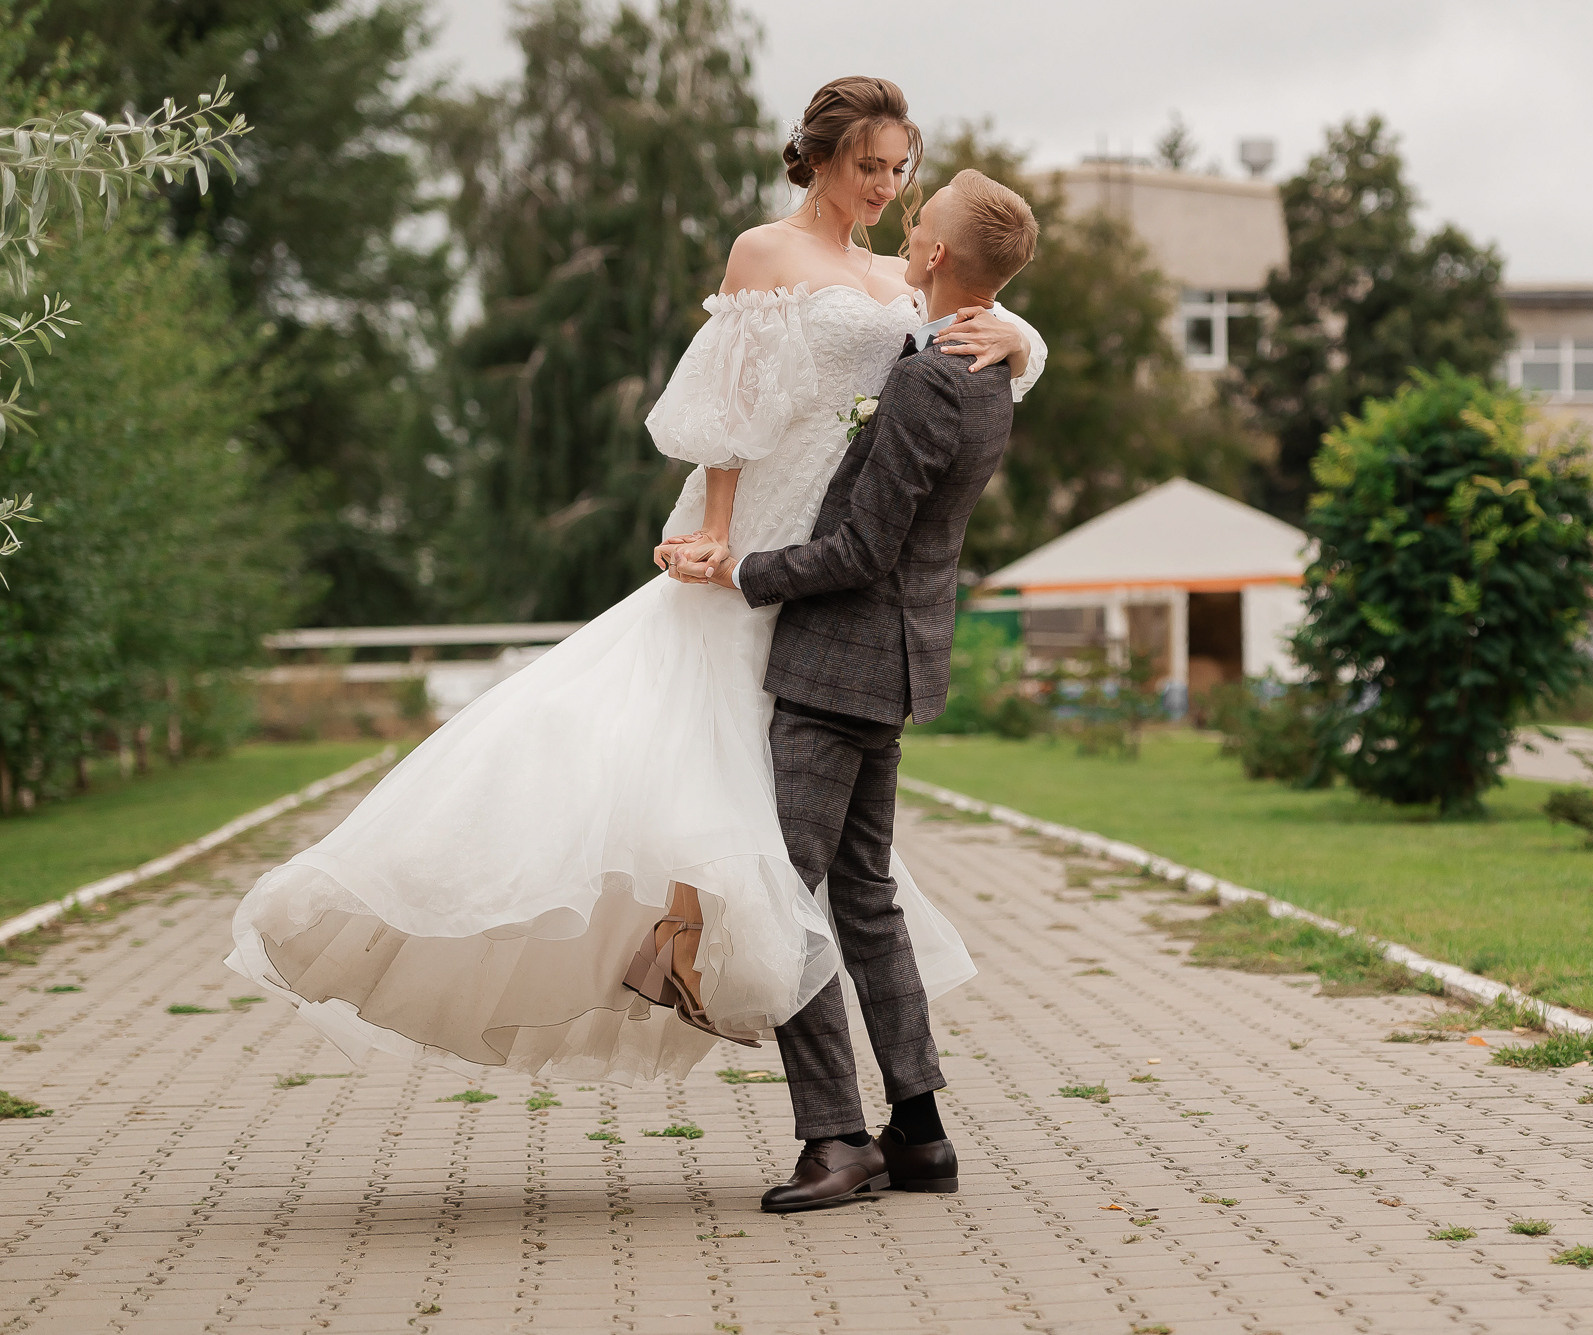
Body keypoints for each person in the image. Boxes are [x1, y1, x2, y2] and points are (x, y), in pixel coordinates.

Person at [224, 77, 1044, 1094]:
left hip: (833, 574)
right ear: (822, 157)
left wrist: (1019, 337)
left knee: (781, 828)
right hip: (763, 543)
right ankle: (735, 1006)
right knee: (706, 783)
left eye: (897, 169)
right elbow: (729, 409)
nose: (884, 186)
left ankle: (717, 980)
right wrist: (716, 538)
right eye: (867, 165)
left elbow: (972, 322)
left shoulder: (899, 273)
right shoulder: (765, 252)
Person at [668, 168, 1037, 1213]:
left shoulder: (927, 383)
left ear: (935, 255)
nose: (905, 220)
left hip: (838, 662)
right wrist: (1019, 337)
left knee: (783, 896)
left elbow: (862, 549)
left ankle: (834, 1137)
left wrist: (740, 571)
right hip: (894, 664)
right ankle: (918, 1132)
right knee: (864, 898)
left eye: (921, 216)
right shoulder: (985, 372)